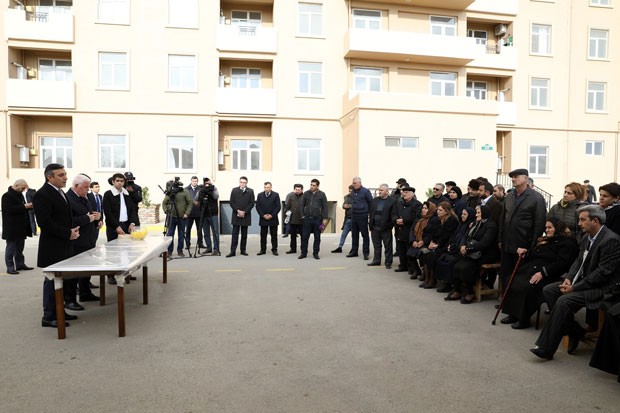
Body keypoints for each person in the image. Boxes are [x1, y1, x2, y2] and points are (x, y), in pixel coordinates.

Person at [531, 205, 620, 360]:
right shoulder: (586, 237)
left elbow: (602, 274)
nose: (579, 223)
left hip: (602, 288)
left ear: (595, 221)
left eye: (583, 220)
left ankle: (546, 348)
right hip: (583, 283)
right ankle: (575, 331)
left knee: (564, 301)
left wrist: (574, 288)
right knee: (549, 290)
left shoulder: (611, 240)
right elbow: (578, 261)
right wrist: (569, 278)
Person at [500, 219, 579, 329]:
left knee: (528, 286)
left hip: (551, 274)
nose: (547, 230)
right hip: (533, 269)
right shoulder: (547, 240)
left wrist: (542, 273)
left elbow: (562, 264)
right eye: (546, 228)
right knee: (511, 279)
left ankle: (523, 319)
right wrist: (525, 253)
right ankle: (513, 314)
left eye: (550, 227)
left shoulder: (568, 243)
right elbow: (535, 254)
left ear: (558, 228)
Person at [33, 163, 80, 328]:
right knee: (52, 281)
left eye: (65, 174)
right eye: (61, 175)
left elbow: (63, 217)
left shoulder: (60, 192)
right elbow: (45, 222)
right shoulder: (42, 195)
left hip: (64, 245)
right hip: (52, 247)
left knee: (62, 280)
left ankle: (60, 311)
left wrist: (72, 231)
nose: (65, 177)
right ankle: (49, 316)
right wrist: (67, 233)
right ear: (49, 177)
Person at [498, 168, 546, 289]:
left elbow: (539, 223)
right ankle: (505, 298)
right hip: (507, 243)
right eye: (512, 177)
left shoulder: (536, 198)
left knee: (519, 276)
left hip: (523, 244)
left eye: (516, 176)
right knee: (505, 273)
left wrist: (532, 245)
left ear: (526, 178)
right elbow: (502, 219)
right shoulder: (509, 196)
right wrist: (500, 239)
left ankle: (515, 299)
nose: (513, 179)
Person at [445, 205, 500, 304]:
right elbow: (466, 236)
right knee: (456, 265)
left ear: (485, 213)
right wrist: (462, 246)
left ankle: (470, 292)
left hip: (485, 254)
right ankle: (457, 290)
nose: (476, 215)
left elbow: (485, 243)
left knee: (466, 268)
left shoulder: (491, 225)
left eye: (478, 213)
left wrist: (468, 249)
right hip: (472, 252)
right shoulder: (476, 223)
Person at [66, 174, 101, 306]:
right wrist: (87, 218)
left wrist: (97, 217)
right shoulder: (69, 199)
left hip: (89, 238)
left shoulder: (85, 196)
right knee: (74, 273)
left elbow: (90, 213)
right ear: (76, 186)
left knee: (87, 269)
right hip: (77, 241)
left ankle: (85, 293)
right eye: (86, 187)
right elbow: (69, 220)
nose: (88, 190)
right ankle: (70, 300)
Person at [102, 173, 140, 284]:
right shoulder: (108, 194)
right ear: (113, 182)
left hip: (126, 225)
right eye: (117, 181)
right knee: (113, 252)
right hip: (113, 226)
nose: (120, 183)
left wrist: (132, 223)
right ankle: (111, 275)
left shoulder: (127, 193)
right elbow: (108, 212)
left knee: (127, 251)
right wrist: (116, 226)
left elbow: (132, 210)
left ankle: (126, 273)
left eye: (122, 181)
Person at [435, 207, 476, 293]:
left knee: (451, 261)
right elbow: (453, 236)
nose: (462, 216)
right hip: (453, 248)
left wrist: (455, 248)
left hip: (460, 251)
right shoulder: (460, 225)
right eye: (462, 214)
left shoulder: (470, 226)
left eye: (465, 214)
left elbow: (465, 240)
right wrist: (449, 245)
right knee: (442, 258)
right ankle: (445, 283)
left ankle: (454, 286)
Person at [419, 201, 458, 289]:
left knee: (431, 255)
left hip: (446, 245)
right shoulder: (438, 220)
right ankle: (427, 278)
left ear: (446, 211)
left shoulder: (451, 220)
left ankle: (432, 280)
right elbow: (434, 233)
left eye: (440, 210)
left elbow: (446, 236)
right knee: (425, 252)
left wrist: (437, 245)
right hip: (437, 244)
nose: (438, 212)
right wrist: (431, 242)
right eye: (438, 210)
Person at [2, 179, 34, 274]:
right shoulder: (7, 196)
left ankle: (20, 264)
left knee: (20, 248)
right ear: (16, 185)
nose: (23, 190)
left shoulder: (19, 195)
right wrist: (25, 206)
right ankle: (10, 267)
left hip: (21, 227)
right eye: (22, 188)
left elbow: (20, 209)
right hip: (11, 227)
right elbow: (9, 209)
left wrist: (28, 207)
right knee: (11, 248)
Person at [367, 184, 397, 269]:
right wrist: (370, 224)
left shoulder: (392, 201)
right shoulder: (375, 200)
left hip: (385, 228)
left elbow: (393, 214)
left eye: (381, 190)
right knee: (376, 246)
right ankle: (376, 261)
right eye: (379, 190)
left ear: (387, 191)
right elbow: (371, 212)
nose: (379, 192)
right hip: (375, 227)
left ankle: (388, 262)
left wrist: (389, 225)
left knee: (388, 246)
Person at [406, 201, 438, 280]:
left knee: (422, 253)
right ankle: (416, 270)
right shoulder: (419, 218)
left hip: (426, 243)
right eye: (423, 208)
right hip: (417, 241)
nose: (423, 210)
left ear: (431, 209)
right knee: (410, 253)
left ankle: (425, 272)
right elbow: (412, 230)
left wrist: (423, 241)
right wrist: (413, 241)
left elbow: (431, 234)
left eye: (426, 208)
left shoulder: (433, 220)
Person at [393, 186, 421, 273]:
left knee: (409, 249)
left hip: (409, 230)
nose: (404, 194)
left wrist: (404, 221)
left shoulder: (417, 204)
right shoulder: (400, 203)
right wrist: (396, 219)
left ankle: (411, 267)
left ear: (412, 194)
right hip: (399, 230)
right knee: (401, 249)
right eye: (403, 192)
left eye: (406, 192)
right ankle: (403, 265)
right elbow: (394, 213)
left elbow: (416, 217)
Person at [162, 179, 193, 258]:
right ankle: (169, 251)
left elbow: (190, 203)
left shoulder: (185, 192)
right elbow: (164, 203)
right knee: (170, 235)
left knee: (181, 235)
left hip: (182, 217)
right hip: (171, 217)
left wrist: (187, 213)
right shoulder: (170, 193)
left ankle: (180, 251)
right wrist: (166, 210)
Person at [299, 178, 329, 260]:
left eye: (314, 185)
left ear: (317, 186)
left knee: (317, 237)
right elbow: (302, 205)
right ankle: (303, 253)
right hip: (307, 219)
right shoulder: (306, 193)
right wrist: (302, 216)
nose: (312, 186)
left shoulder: (322, 194)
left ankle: (316, 253)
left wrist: (325, 218)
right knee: (305, 237)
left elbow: (325, 207)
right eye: (311, 185)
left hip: (317, 219)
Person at [227, 176, 255, 257]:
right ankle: (232, 251)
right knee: (234, 234)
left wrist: (244, 212)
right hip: (236, 215)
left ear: (246, 183)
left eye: (244, 182)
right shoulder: (234, 190)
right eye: (241, 182)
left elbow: (252, 203)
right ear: (239, 182)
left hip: (246, 215)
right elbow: (231, 202)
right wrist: (238, 211)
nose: (242, 184)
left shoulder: (250, 191)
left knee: (244, 234)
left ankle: (243, 250)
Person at [347, 177, 373, 260]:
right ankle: (354, 251)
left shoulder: (366, 191)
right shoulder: (353, 192)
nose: (353, 184)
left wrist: (369, 215)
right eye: (353, 183)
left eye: (355, 183)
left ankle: (366, 253)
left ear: (359, 183)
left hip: (363, 215)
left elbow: (371, 203)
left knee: (364, 235)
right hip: (354, 215)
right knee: (354, 235)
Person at [195, 177, 220, 256]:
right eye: (206, 182)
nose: (207, 184)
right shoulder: (201, 190)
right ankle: (209, 247)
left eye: (208, 182)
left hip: (213, 214)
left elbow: (216, 196)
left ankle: (216, 249)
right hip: (204, 213)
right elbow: (195, 199)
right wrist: (199, 203)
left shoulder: (214, 188)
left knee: (215, 232)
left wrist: (211, 190)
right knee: (206, 232)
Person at [256, 182, 281, 256]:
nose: (266, 189)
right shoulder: (260, 195)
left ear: (271, 187)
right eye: (265, 187)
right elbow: (258, 206)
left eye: (267, 187)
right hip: (263, 218)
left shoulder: (275, 195)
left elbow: (278, 207)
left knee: (274, 235)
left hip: (273, 218)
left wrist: (272, 215)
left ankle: (274, 250)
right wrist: (263, 215)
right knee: (263, 236)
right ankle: (262, 250)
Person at [283, 184, 304, 254]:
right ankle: (293, 249)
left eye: (299, 190)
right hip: (293, 219)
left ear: (302, 190)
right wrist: (286, 212)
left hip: (302, 220)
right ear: (294, 189)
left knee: (303, 236)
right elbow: (287, 206)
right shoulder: (291, 196)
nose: (297, 191)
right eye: (296, 189)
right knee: (293, 236)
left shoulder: (305, 196)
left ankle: (303, 249)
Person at [332, 185, 353, 253]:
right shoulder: (346, 197)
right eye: (349, 191)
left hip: (354, 219)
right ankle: (340, 247)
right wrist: (344, 206)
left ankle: (353, 248)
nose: (350, 192)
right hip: (347, 218)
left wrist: (349, 206)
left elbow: (358, 205)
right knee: (344, 234)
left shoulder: (357, 197)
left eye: (351, 191)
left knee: (354, 235)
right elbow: (344, 206)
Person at [185, 176, 205, 248]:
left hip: (198, 213)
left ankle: (200, 243)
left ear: (197, 181)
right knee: (188, 229)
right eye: (193, 181)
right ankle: (187, 244)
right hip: (189, 213)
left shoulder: (200, 189)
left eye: (196, 181)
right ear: (191, 181)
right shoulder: (186, 189)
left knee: (199, 229)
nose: (194, 182)